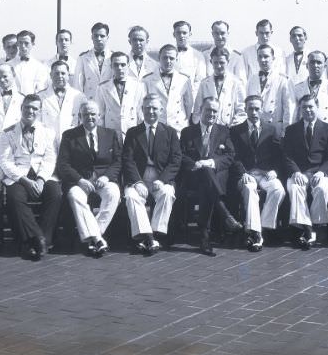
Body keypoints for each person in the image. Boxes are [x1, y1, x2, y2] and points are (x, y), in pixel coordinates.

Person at [0, 95, 62, 261]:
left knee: (55, 194)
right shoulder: (7, 133)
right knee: (14, 197)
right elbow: (5, 161)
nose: (30, 111)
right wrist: (24, 180)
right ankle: (38, 239)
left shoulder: (48, 132)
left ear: (40, 111)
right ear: (21, 108)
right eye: (27, 107)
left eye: (34, 108)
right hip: (19, 176)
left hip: (42, 174)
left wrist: (40, 179)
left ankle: (42, 240)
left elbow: (50, 159)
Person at [57, 100, 122, 257]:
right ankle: (98, 239)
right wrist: (79, 180)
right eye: (85, 114)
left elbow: (118, 161)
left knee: (114, 193)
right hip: (79, 181)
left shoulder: (110, 134)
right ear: (80, 116)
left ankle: (94, 237)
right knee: (75, 196)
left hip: (103, 180)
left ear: (99, 116)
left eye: (93, 114)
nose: (90, 117)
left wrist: (106, 177)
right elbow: (63, 164)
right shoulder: (69, 135)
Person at [179, 97, 242, 256]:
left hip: (216, 177)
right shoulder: (187, 132)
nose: (211, 114)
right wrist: (197, 164)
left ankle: (204, 236)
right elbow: (181, 156)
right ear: (201, 110)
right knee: (205, 175)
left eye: (215, 111)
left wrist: (211, 162)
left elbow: (230, 155)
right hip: (194, 176)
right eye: (208, 110)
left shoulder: (224, 131)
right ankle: (225, 214)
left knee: (207, 181)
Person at [121, 94, 182, 254]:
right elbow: (128, 160)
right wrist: (137, 182)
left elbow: (176, 160)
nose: (151, 111)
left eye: (154, 108)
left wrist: (162, 180)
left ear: (161, 110)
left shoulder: (170, 132)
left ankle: (155, 235)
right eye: (147, 108)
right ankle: (146, 236)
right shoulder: (133, 132)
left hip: (161, 178)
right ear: (142, 110)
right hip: (139, 177)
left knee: (167, 193)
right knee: (131, 196)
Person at [282, 94, 328, 249]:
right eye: (304, 107)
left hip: (319, 172)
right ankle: (307, 229)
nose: (307, 110)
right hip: (299, 172)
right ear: (300, 109)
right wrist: (295, 172)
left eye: (311, 107)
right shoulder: (291, 130)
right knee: (295, 187)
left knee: (322, 188)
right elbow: (287, 155)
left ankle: (314, 225)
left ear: (317, 107)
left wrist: (322, 172)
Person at [229, 95, 285, 252]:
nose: (254, 112)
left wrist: (275, 170)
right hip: (246, 173)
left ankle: (262, 226)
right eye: (250, 109)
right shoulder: (235, 131)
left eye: (257, 109)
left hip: (265, 173)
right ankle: (256, 233)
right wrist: (242, 172)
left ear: (262, 110)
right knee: (249, 189)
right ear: (245, 110)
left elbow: (279, 155)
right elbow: (233, 156)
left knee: (278, 189)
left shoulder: (271, 129)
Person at [141, 44, 195, 132]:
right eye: (165, 58)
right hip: (156, 125)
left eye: (171, 58)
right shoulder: (147, 80)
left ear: (176, 60)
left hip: (178, 125)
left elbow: (188, 104)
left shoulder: (184, 79)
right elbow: (143, 104)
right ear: (159, 58)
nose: (168, 61)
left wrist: (184, 120)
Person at [192, 47, 247, 127]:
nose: (218, 66)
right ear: (211, 62)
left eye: (222, 62)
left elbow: (242, 110)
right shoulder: (204, 83)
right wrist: (201, 127)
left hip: (229, 128)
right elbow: (197, 110)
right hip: (208, 128)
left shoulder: (236, 83)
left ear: (228, 62)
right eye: (215, 62)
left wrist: (233, 127)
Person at [290, 51, 328, 127]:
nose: (315, 65)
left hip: (326, 132)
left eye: (319, 62)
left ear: (325, 66)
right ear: (307, 66)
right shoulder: (297, 88)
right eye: (312, 62)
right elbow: (293, 115)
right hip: (303, 131)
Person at [96, 52, 144, 139]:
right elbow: (100, 115)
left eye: (123, 65)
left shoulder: (138, 86)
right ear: (111, 66)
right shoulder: (103, 87)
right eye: (116, 65)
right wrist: (101, 136)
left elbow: (140, 113)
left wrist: (141, 136)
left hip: (132, 131)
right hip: (110, 132)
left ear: (128, 66)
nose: (119, 68)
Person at [245, 44, 293, 130]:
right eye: (260, 57)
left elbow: (289, 108)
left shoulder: (283, 80)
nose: (262, 60)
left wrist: (286, 131)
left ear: (273, 58)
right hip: (256, 129)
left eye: (266, 56)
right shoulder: (252, 79)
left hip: (276, 128)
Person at [39, 60, 86, 146]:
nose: (60, 76)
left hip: (72, 142)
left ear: (68, 75)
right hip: (47, 143)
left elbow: (83, 123)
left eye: (63, 73)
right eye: (56, 73)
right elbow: (37, 123)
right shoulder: (40, 97)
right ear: (50, 75)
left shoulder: (79, 97)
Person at [76, 22, 112, 99]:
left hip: (109, 101)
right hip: (90, 102)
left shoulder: (113, 57)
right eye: (96, 36)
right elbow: (78, 85)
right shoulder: (83, 58)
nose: (99, 39)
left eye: (102, 36)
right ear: (92, 37)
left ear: (107, 37)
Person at [0, 63, 24, 132]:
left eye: (5, 76)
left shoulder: (22, 99)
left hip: (15, 136)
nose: (2, 80)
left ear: (14, 75)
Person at [173, 20, 207, 98]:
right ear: (174, 34)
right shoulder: (168, 54)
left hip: (191, 97)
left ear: (190, 34)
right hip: (172, 97)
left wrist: (191, 97)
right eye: (178, 33)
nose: (181, 35)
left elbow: (200, 80)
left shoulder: (198, 56)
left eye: (184, 33)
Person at [11, 30, 50, 95]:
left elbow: (41, 89)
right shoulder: (8, 66)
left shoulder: (40, 67)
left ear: (33, 44)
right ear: (17, 44)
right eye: (20, 43)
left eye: (26, 43)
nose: (23, 46)